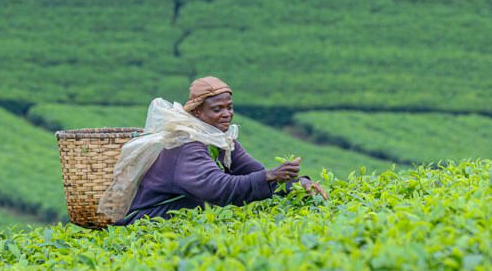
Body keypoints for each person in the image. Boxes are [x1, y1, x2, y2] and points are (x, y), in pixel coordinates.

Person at [97, 76, 328, 226]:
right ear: (197, 113)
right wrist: (269, 175)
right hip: (150, 219)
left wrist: (297, 185)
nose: (226, 114)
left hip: (179, 214)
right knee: (214, 206)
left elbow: (253, 171)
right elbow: (216, 188)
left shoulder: (220, 140)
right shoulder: (186, 144)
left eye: (229, 107)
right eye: (217, 109)